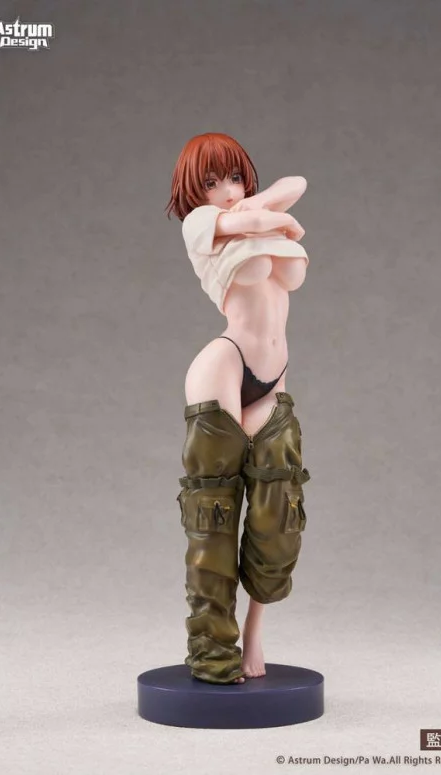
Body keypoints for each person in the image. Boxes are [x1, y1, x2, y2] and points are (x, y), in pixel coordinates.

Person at [166, 132, 311, 685]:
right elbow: (263, 220)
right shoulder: (200, 223)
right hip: (225, 366)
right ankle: (211, 652)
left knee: (278, 517)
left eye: (234, 178)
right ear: (193, 191)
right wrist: (269, 217)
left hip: (273, 377)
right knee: (213, 516)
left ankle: (254, 634)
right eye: (210, 182)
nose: (226, 191)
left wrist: (262, 206)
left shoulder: (247, 211)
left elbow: (297, 183)